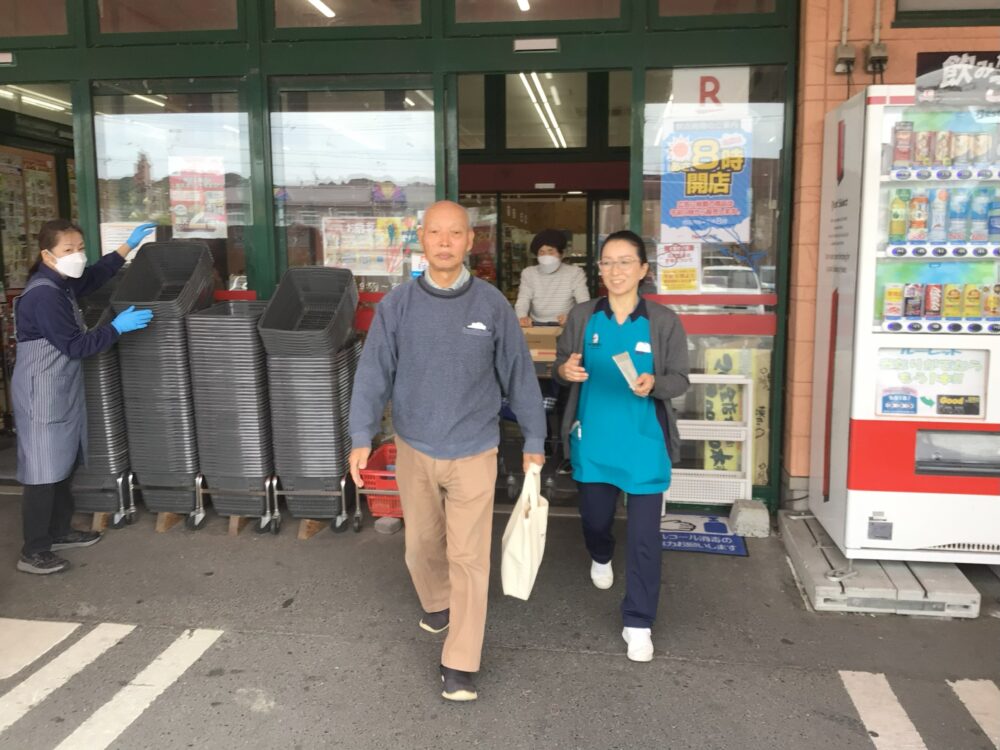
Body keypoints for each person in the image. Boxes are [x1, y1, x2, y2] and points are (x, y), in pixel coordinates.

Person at [349, 201, 546, 703]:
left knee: (468, 557)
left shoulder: (491, 304)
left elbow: (519, 374)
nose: (444, 241)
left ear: (469, 241)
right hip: (414, 445)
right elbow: (373, 373)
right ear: (421, 238)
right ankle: (437, 602)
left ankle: (460, 662)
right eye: (434, 232)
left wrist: (535, 440)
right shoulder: (398, 305)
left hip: (475, 449)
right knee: (420, 546)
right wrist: (361, 436)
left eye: (454, 233)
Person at [553, 229, 689, 663]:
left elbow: (680, 379)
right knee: (595, 520)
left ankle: (638, 621)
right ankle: (600, 552)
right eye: (607, 262)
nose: (615, 270)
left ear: (643, 269)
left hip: (645, 443)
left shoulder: (662, 321)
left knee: (645, 537)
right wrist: (565, 371)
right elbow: (561, 365)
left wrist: (655, 384)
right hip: (593, 438)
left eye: (625, 261)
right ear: (599, 269)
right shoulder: (583, 316)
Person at [13, 219, 156, 575]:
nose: (77, 255)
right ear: (47, 255)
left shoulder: (60, 283)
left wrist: (127, 246)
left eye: (80, 248)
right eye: (68, 250)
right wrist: (115, 328)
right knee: (42, 471)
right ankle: (34, 550)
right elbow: (75, 346)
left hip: (58, 386)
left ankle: (59, 531)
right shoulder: (44, 294)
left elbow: (92, 278)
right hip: (40, 392)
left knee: (62, 463)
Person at [515, 229, 590, 327]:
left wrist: (572, 317)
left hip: (566, 326)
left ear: (561, 254)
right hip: (535, 326)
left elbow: (584, 302)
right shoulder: (529, 273)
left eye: (551, 252)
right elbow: (523, 300)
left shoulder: (575, 273)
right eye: (541, 252)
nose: (546, 256)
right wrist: (522, 317)